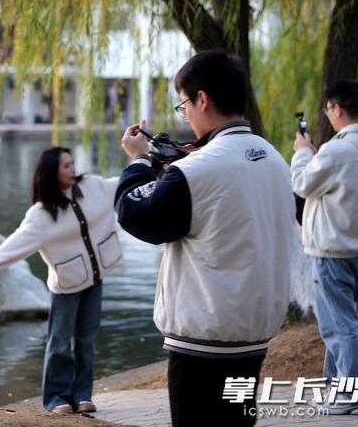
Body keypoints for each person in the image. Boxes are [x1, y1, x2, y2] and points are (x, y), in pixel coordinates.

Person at [115, 50, 295, 427]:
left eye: (184, 104)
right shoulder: (274, 159)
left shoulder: (195, 170)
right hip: (252, 335)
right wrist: (183, 164)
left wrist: (139, 162)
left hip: (202, 340)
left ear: (202, 99)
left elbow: (136, 214)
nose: (186, 115)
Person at [0, 146, 123, 415]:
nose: (72, 169)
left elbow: (122, 184)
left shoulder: (93, 186)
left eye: (72, 163)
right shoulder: (41, 215)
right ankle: (56, 398)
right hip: (66, 284)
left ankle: (82, 394)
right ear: (52, 172)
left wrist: (152, 166)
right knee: (61, 342)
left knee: (86, 339)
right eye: (66, 166)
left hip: (95, 277)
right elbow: (18, 242)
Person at [291, 79, 358, 416]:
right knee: (335, 323)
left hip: (331, 251)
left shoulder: (336, 149)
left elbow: (301, 184)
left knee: (341, 324)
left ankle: (353, 396)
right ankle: (335, 388)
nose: (327, 115)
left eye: (328, 108)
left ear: (337, 108)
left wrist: (302, 153)